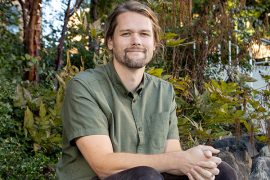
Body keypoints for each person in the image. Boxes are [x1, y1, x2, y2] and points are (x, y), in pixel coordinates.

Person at [56, 1, 237, 180]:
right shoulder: (85, 87)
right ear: (110, 42)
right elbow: (103, 165)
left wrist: (195, 160)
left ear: (155, 44)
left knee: (221, 171)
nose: (136, 41)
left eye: (144, 34)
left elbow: (172, 155)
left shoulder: (163, 91)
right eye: (126, 34)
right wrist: (178, 159)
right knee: (146, 175)